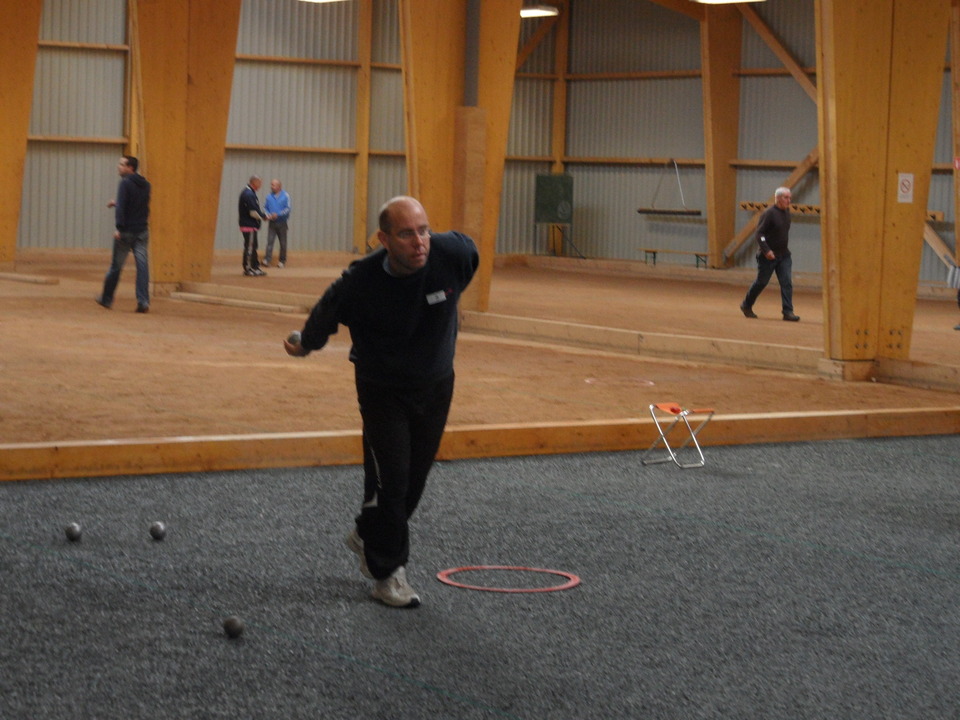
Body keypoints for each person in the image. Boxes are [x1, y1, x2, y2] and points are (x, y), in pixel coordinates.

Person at [284, 196, 478, 609]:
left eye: (424, 230)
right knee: (392, 479)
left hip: (436, 384)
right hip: (381, 388)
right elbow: (325, 314)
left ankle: (368, 532)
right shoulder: (362, 281)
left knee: (414, 481)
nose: (419, 241)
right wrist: (305, 344)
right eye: (407, 234)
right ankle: (387, 573)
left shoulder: (455, 254)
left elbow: (469, 264)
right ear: (384, 239)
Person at [96, 155, 151, 313]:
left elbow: (122, 210)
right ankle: (143, 301)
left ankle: (106, 299)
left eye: (122, 165)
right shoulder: (146, 185)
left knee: (116, 267)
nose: (118, 167)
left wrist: (119, 228)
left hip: (126, 232)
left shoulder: (125, 184)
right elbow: (138, 206)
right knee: (142, 267)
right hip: (142, 231)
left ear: (130, 168)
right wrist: (117, 202)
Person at [739, 186, 800, 322]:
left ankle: (788, 311)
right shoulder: (769, 213)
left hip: (784, 255)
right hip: (768, 257)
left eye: (790, 197)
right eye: (786, 198)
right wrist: (766, 250)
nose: (789, 200)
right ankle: (746, 304)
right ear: (778, 198)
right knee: (761, 282)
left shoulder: (787, 212)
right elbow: (760, 234)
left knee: (786, 283)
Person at [239, 176, 268, 276]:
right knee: (250, 247)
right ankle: (248, 267)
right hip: (248, 225)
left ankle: (255, 267)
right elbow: (253, 212)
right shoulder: (248, 194)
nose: (260, 186)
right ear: (254, 183)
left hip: (251, 225)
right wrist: (264, 216)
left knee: (253, 246)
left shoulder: (250, 193)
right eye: (259, 183)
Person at [263, 179, 291, 268]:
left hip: (282, 223)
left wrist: (278, 215)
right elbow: (265, 208)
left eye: (273, 185)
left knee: (283, 243)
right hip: (272, 223)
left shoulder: (286, 196)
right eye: (271, 184)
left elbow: (288, 209)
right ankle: (267, 260)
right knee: (270, 242)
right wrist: (268, 215)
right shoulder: (268, 197)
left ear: (279, 186)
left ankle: (282, 261)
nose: (271, 186)